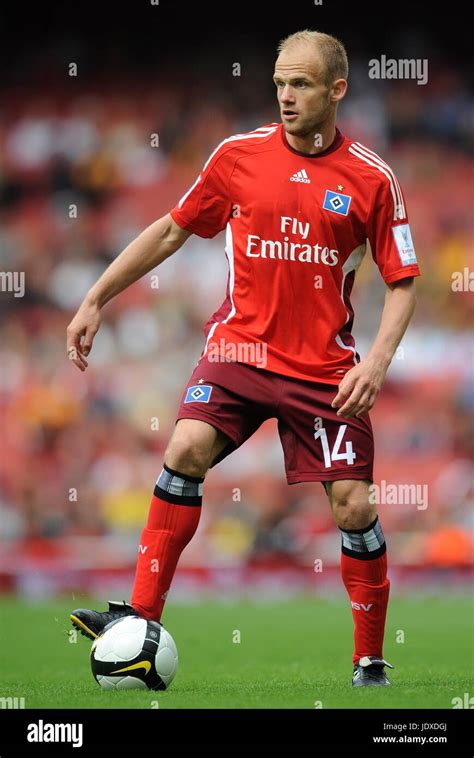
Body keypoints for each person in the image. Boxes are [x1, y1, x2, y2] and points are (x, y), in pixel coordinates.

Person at [67, 29, 420, 687]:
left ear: (337, 90)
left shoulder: (373, 179)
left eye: (302, 84)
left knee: (353, 508)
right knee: (185, 449)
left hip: (323, 370)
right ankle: (141, 620)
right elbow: (173, 228)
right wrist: (96, 298)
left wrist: (375, 363)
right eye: (280, 82)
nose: (286, 96)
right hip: (239, 350)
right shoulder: (237, 156)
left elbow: (404, 280)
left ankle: (369, 660)